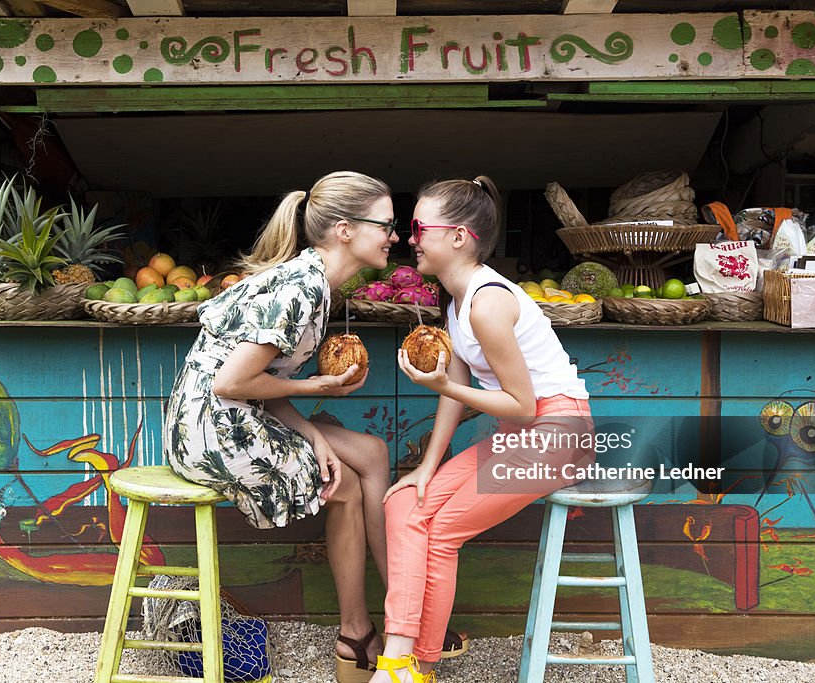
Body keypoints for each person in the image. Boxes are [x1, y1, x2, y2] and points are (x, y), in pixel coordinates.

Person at [163, 171, 398, 682]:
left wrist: (312, 433)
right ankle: (358, 633)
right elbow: (232, 383)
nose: (394, 236)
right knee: (349, 486)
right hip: (215, 430)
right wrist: (317, 390)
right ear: (344, 229)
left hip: (222, 417)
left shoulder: (312, 282)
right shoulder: (302, 289)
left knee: (372, 452)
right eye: (386, 224)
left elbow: (262, 382)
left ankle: (397, 611)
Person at [370, 176, 595, 683]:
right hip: (525, 436)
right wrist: (427, 468)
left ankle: (415, 665)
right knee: (403, 502)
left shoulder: (488, 304)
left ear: (458, 236)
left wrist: (443, 388)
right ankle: (399, 657)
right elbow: (458, 378)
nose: (410, 238)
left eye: (418, 227)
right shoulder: (456, 301)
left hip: (557, 434)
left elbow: (519, 405)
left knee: (442, 532)